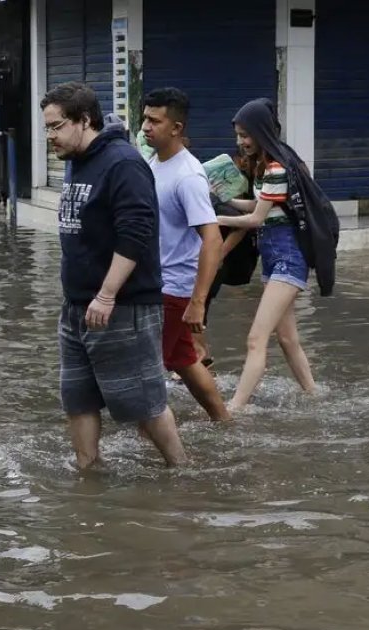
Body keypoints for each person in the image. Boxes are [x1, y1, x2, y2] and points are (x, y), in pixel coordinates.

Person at [42, 81, 185, 468]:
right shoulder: (75, 160)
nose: (49, 136)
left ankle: (183, 472)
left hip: (123, 306)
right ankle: (88, 471)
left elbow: (136, 234)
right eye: (47, 128)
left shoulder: (123, 163)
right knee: (78, 398)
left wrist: (106, 294)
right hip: (76, 307)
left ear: (84, 120)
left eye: (55, 127)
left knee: (144, 402)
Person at [216, 99, 319, 412]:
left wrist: (216, 219)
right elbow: (260, 206)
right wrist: (222, 198)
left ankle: (234, 408)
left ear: (261, 132)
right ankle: (315, 396)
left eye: (246, 135)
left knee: (255, 338)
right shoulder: (269, 166)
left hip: (287, 259)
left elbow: (256, 220)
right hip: (275, 260)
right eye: (237, 135)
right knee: (287, 339)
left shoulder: (275, 167)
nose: (240, 142)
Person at [140, 87, 230, 422]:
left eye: (155, 120)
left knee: (144, 369)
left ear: (176, 128)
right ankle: (223, 421)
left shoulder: (187, 175)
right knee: (184, 360)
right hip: (156, 282)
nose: (146, 126)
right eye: (145, 118)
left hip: (172, 289)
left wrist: (198, 301)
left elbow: (212, 239)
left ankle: (154, 439)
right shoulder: (153, 163)